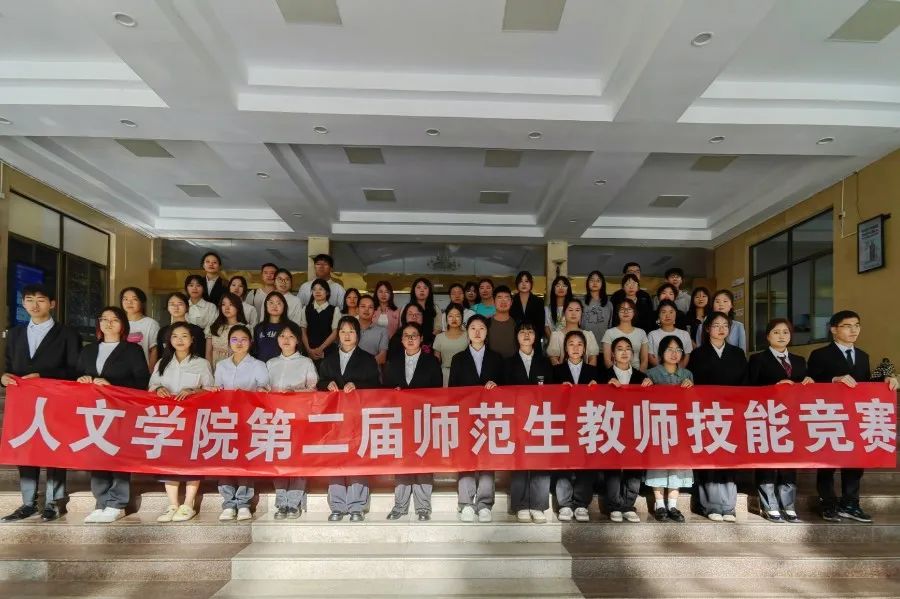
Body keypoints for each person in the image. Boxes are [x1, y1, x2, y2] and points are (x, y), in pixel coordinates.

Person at [808, 310, 899, 523]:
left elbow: (864, 386)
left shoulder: (863, 356)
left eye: (857, 325)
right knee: (827, 461)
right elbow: (809, 382)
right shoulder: (820, 354)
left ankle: (850, 503)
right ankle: (828, 503)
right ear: (833, 329)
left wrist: (887, 380)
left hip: (856, 417)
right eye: (847, 326)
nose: (853, 330)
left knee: (856, 460)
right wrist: (834, 379)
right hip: (829, 415)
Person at [0, 284, 80, 523]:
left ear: (52, 304)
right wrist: (3, 377)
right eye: (29, 300)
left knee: (54, 448)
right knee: (25, 447)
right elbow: (9, 366)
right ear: (23, 303)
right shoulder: (14, 333)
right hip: (22, 401)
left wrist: (43, 376)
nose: (34, 305)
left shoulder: (67, 334)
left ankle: (53, 502)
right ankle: (28, 502)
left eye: (41, 300)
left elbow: (75, 370)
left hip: (55, 400)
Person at [75, 306, 150, 523]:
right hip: (94, 411)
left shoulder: (132, 350)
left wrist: (112, 386)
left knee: (118, 455)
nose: (108, 323)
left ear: (123, 325)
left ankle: (117, 503)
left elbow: (141, 382)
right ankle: (101, 502)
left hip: (120, 411)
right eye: (104, 319)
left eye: (114, 319)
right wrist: (81, 380)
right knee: (97, 455)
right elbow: (76, 376)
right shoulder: (89, 350)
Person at [748, 318, 813, 523]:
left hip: (792, 418)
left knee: (789, 461)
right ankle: (769, 504)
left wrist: (809, 382)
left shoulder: (800, 360)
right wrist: (774, 387)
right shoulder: (758, 359)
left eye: (785, 332)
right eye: (776, 332)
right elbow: (749, 388)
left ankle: (788, 504)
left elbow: (807, 388)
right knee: (767, 461)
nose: (782, 336)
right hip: (766, 416)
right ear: (768, 336)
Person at [148, 323, 214, 523]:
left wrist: (193, 391)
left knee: (192, 458)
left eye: (184, 336)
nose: (179, 340)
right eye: (175, 336)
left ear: (192, 340)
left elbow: (211, 389)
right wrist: (158, 389)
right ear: (169, 340)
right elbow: (151, 386)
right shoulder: (162, 362)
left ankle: (188, 503)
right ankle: (173, 504)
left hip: (192, 418)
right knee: (169, 459)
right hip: (168, 418)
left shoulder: (201, 363)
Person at [317, 316, 381, 522]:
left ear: (358, 335)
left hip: (358, 418)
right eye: (343, 331)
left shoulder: (368, 359)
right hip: (334, 419)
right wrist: (326, 385)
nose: (346, 335)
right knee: (335, 460)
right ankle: (337, 505)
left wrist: (358, 386)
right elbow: (320, 382)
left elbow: (377, 387)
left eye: (351, 331)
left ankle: (357, 505)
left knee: (357, 459)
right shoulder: (329, 359)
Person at [689, 312, 747, 523]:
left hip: (732, 413)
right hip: (707, 412)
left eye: (725, 325)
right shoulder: (698, 354)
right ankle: (709, 505)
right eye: (716, 325)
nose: (721, 329)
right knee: (709, 457)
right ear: (707, 329)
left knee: (729, 457)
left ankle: (728, 506)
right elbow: (693, 384)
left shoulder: (737, 353)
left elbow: (745, 383)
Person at [385, 322, 443, 521]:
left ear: (421, 339)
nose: (410, 339)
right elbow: (384, 391)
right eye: (406, 335)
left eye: (414, 335)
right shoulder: (393, 362)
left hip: (425, 418)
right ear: (401, 340)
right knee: (402, 462)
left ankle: (423, 507)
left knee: (424, 461)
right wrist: (394, 393)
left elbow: (438, 392)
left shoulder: (431, 362)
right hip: (400, 420)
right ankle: (400, 506)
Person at [210, 325, 269, 522]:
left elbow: (264, 390)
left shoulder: (258, 365)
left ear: (250, 342)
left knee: (244, 460)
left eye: (243, 339)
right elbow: (217, 389)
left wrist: (249, 394)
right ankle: (228, 503)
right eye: (234, 339)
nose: (239, 343)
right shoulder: (221, 365)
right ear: (229, 343)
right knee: (225, 459)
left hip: (248, 418)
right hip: (226, 418)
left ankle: (243, 503)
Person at [449, 315, 504, 523]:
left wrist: (496, 387)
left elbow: (506, 388)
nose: (478, 332)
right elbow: (452, 390)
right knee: (466, 457)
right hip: (466, 415)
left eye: (481, 328)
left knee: (487, 458)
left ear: (487, 332)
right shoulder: (458, 359)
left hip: (490, 416)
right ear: (468, 332)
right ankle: (465, 503)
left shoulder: (496, 358)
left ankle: (484, 504)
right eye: (473, 328)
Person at [266, 321, 318, 519]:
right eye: (282, 336)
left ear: (298, 340)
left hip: (299, 418)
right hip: (275, 419)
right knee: (278, 459)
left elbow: (313, 389)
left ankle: (294, 502)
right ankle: (281, 502)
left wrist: (294, 393)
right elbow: (263, 389)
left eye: (291, 336)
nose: (286, 340)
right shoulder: (270, 363)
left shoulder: (306, 362)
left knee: (297, 459)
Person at [599, 337, 651, 524]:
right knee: (612, 467)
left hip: (635, 427)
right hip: (611, 426)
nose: (624, 352)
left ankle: (628, 505)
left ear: (633, 353)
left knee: (634, 467)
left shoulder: (641, 377)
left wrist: (650, 388)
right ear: (612, 354)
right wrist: (604, 388)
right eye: (619, 348)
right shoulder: (603, 376)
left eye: (628, 348)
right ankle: (614, 505)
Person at [505, 322, 554, 523]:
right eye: (522, 332)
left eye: (530, 331)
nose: (526, 335)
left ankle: (538, 505)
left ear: (536, 337)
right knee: (519, 461)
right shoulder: (508, 363)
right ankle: (520, 505)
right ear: (516, 337)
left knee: (540, 460)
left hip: (541, 418)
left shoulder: (545, 362)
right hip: (517, 418)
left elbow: (553, 389)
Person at [645, 335, 694, 523]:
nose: (674, 353)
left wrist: (692, 388)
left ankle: (673, 504)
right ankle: (659, 504)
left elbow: (693, 402)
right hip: (659, 425)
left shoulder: (687, 374)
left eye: (678, 350)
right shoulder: (652, 373)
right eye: (670, 349)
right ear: (661, 352)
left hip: (681, 426)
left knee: (678, 464)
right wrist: (646, 387)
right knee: (658, 463)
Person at [551, 331, 599, 523]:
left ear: (585, 348)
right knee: (563, 460)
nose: (576, 348)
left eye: (580, 344)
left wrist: (599, 388)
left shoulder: (594, 371)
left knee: (586, 462)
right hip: (564, 422)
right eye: (571, 344)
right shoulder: (556, 370)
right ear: (565, 348)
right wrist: (558, 390)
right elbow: (547, 397)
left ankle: (581, 504)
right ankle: (564, 503)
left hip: (587, 422)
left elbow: (606, 397)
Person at [546, 299, 601, 366]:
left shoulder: (588, 335)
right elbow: (554, 359)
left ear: (581, 313)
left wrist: (586, 372)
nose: (574, 313)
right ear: (564, 313)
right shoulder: (556, 335)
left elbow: (592, 359)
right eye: (570, 310)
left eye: (577, 310)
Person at [601, 298, 649, 371]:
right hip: (615, 373)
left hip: (637, 372)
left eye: (629, 309)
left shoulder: (641, 332)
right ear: (617, 312)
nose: (626, 312)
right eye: (622, 309)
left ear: (634, 312)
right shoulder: (609, 333)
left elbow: (644, 360)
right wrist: (616, 374)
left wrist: (639, 375)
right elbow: (607, 361)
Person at [300, 278, 340, 362]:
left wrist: (320, 349)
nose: (317, 292)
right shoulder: (306, 309)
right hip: (308, 351)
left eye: (321, 289)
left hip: (328, 351)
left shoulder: (334, 310)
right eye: (314, 289)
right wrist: (308, 349)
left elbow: (335, 332)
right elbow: (303, 330)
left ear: (327, 292)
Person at [120, 287, 160, 369]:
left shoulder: (151, 324)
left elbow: (154, 350)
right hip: (120, 370)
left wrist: (150, 372)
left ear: (142, 302)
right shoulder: (117, 322)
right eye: (125, 299)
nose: (129, 302)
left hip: (142, 370)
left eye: (134, 299)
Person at [206, 292, 248, 370]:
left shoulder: (245, 328)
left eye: (231, 304)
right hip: (216, 366)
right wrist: (210, 370)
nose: (227, 308)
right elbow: (208, 352)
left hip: (237, 366)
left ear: (238, 307)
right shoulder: (213, 327)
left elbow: (246, 353)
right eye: (223, 304)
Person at [157, 292, 206, 358]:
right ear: (167, 308)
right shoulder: (163, 331)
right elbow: (160, 355)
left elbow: (200, 354)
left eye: (180, 304)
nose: (176, 307)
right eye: (172, 304)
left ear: (187, 307)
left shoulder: (196, 330)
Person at [647, 300, 693, 368]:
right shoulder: (652, 334)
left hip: (680, 372)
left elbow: (686, 356)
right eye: (663, 312)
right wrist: (664, 371)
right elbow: (651, 356)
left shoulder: (685, 334)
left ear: (676, 314)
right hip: (658, 372)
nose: (667, 315)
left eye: (671, 312)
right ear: (658, 316)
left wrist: (677, 371)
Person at [433, 303, 469, 387]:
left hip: (465, 373)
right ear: (446, 318)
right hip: (445, 374)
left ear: (462, 317)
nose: (454, 319)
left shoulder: (468, 335)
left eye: (457, 316)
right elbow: (436, 361)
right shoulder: (439, 337)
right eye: (450, 316)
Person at [509, 271, 545, 353]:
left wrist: (534, 339)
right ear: (517, 284)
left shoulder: (538, 301)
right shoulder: (511, 300)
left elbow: (540, 324)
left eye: (526, 281)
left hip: (534, 341)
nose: (524, 284)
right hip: (515, 342)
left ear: (531, 283)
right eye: (521, 281)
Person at [253, 291, 290, 363]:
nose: (274, 306)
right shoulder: (258, 327)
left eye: (278, 303)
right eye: (271, 303)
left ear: (284, 306)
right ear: (266, 305)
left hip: (283, 366)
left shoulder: (291, 327)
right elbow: (255, 351)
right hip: (261, 366)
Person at [582, 270, 613, 347]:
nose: (595, 283)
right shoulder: (581, 303)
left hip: (604, 346)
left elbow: (610, 327)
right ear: (587, 283)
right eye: (592, 280)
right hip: (585, 345)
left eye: (598, 280)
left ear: (602, 284)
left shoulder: (608, 304)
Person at [357, 294, 388, 366]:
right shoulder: (349, 329)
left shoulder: (382, 331)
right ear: (357, 309)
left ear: (374, 311)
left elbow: (382, 357)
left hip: (372, 371)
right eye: (363, 306)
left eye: (370, 307)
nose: (366, 310)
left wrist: (362, 368)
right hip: (350, 371)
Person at [486, 285, 517, 358]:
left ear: (511, 302)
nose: (503, 301)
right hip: (491, 363)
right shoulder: (486, 323)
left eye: (507, 298)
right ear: (493, 302)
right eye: (499, 297)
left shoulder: (517, 323)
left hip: (513, 363)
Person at [411, 277, 441, 345]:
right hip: (411, 342)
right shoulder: (407, 308)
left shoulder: (435, 308)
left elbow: (438, 328)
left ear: (429, 291)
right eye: (418, 287)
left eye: (425, 288)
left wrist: (427, 338)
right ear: (414, 290)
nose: (422, 290)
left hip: (430, 343)